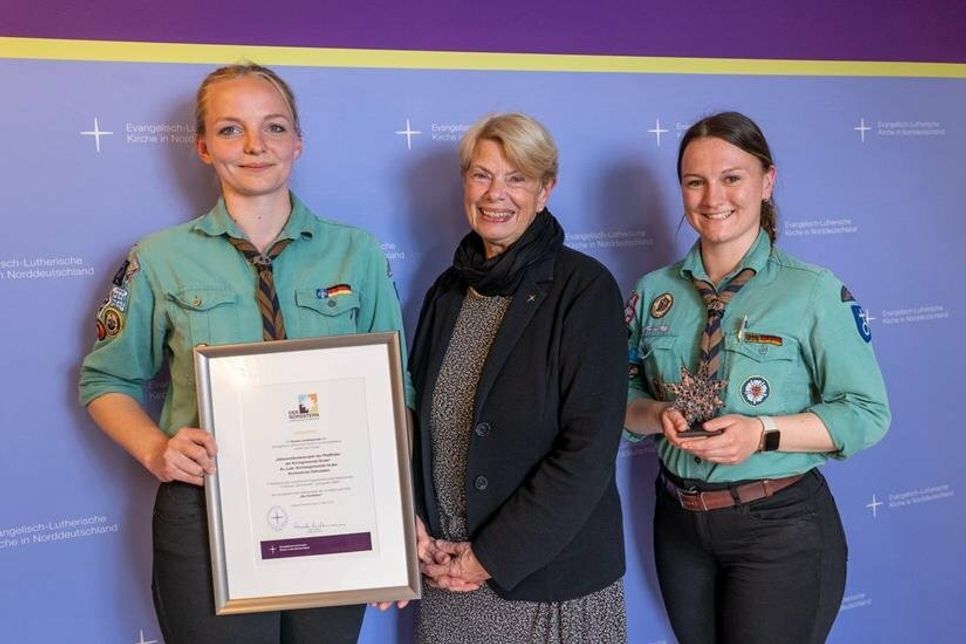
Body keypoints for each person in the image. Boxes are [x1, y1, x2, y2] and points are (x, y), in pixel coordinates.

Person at [78, 63, 411, 644]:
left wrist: (392, 520)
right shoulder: (157, 259)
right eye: (231, 130)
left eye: (274, 127)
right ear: (203, 147)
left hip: (333, 504)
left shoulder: (355, 253)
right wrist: (157, 449)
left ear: (298, 141)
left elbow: (392, 394)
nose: (256, 145)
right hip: (204, 514)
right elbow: (105, 381)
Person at [624, 111, 890, 644]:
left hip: (779, 527)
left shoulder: (812, 291)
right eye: (694, 181)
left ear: (767, 182)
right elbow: (620, 396)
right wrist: (656, 415)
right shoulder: (655, 291)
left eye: (732, 177)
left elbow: (865, 413)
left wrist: (761, 431)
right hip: (679, 524)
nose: (712, 197)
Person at [407, 112, 628, 643]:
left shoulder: (584, 290)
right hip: (448, 575)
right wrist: (410, 520)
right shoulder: (448, 290)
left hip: (548, 582)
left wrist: (489, 557)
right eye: (482, 175)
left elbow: (588, 451)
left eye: (517, 178)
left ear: (545, 190)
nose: (494, 194)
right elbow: (416, 421)